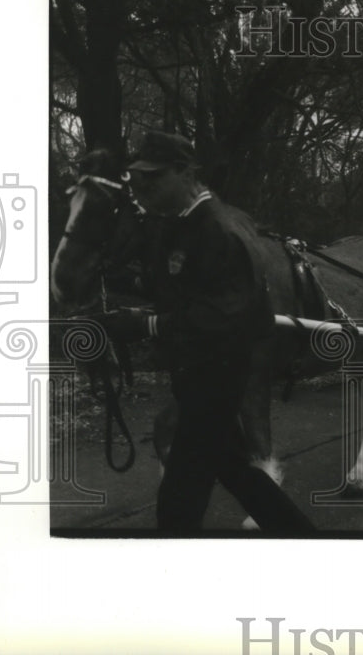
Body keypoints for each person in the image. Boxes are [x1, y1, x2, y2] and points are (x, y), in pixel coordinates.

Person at [93, 131, 314, 534]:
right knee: (237, 471)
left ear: (184, 173)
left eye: (155, 178)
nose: (144, 189)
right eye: (141, 179)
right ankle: (301, 535)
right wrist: (134, 288)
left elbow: (225, 316)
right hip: (200, 371)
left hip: (219, 373)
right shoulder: (184, 223)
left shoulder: (219, 228)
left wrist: (145, 325)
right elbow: (190, 286)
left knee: (179, 500)